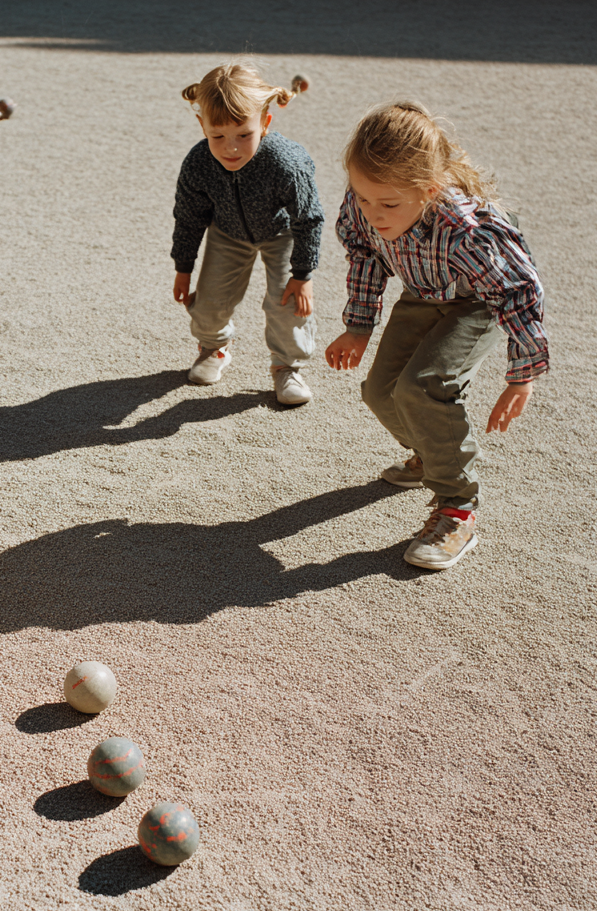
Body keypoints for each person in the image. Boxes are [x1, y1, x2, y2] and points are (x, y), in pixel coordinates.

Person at [326, 101, 548, 570]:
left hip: (478, 303)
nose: (373, 213)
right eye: (363, 197)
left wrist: (522, 374)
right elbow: (365, 255)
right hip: (423, 292)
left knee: (422, 387)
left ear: (428, 190)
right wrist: (358, 326)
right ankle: (432, 452)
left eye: (388, 204)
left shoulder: (467, 231)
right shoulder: (366, 202)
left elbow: (518, 291)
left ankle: (457, 506)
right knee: (380, 392)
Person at [171, 63, 324, 405]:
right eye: (218, 136)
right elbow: (189, 216)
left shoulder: (287, 163)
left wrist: (303, 273)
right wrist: (184, 267)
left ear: (265, 123)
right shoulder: (198, 163)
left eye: (244, 134)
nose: (231, 148)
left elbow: (309, 218)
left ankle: (287, 367)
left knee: (287, 303)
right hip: (227, 233)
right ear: (202, 126)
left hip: (282, 232)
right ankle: (214, 347)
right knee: (209, 304)